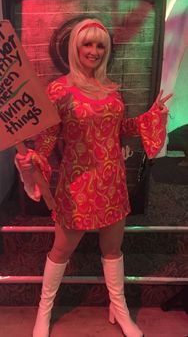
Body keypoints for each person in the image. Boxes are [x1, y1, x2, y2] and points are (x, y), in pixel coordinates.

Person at [16, 18, 172, 337]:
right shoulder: (59, 90)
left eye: (100, 45)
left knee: (113, 249)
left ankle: (120, 309)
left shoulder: (111, 89)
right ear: (75, 46)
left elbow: (119, 131)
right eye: (87, 44)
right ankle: (43, 314)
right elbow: (48, 137)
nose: (94, 51)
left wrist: (150, 118)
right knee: (61, 250)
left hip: (113, 182)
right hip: (77, 185)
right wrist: (34, 158)